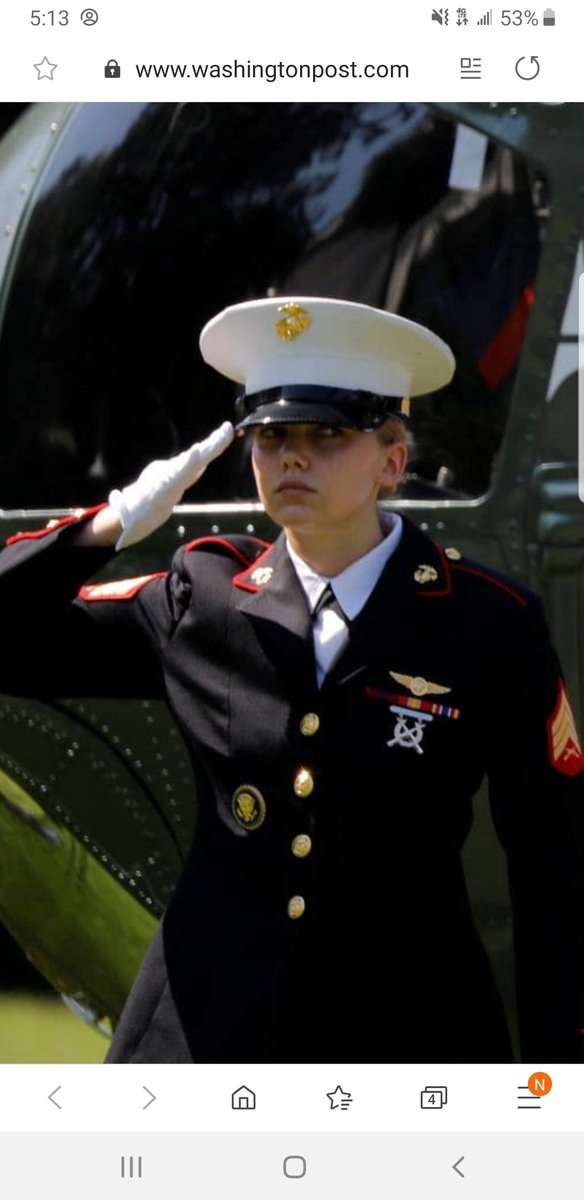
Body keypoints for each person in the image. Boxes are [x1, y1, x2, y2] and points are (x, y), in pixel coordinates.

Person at [1, 295, 584, 1065]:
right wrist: (113, 521)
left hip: (404, 1039)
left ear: (392, 461)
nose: (292, 458)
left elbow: (555, 869)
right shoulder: (203, 597)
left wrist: (558, 1077)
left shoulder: (486, 622)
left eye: (327, 434)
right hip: (206, 1038)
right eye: (272, 436)